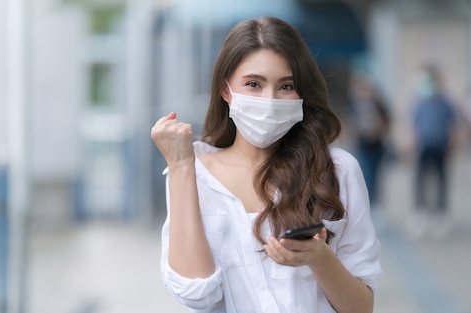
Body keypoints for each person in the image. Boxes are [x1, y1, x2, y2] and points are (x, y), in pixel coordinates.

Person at [150, 16, 382, 313]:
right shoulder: (193, 174)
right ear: (225, 90)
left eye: (285, 86)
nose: (270, 100)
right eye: (254, 84)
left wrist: (319, 258)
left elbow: (361, 308)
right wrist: (182, 165)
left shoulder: (338, 170)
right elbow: (196, 293)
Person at [408, 64, 457, 239]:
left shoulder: (445, 103)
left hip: (440, 147)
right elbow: (414, 126)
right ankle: (420, 213)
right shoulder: (419, 103)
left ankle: (440, 215)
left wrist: (452, 144)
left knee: (441, 180)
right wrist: (412, 145)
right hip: (424, 148)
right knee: (420, 180)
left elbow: (452, 126)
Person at [346, 74, 391, 212]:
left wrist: (379, 131)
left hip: (377, 146)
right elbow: (350, 125)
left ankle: (375, 205)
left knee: (376, 176)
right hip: (363, 146)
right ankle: (366, 204)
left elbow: (387, 122)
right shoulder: (355, 106)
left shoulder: (378, 105)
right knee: (365, 175)